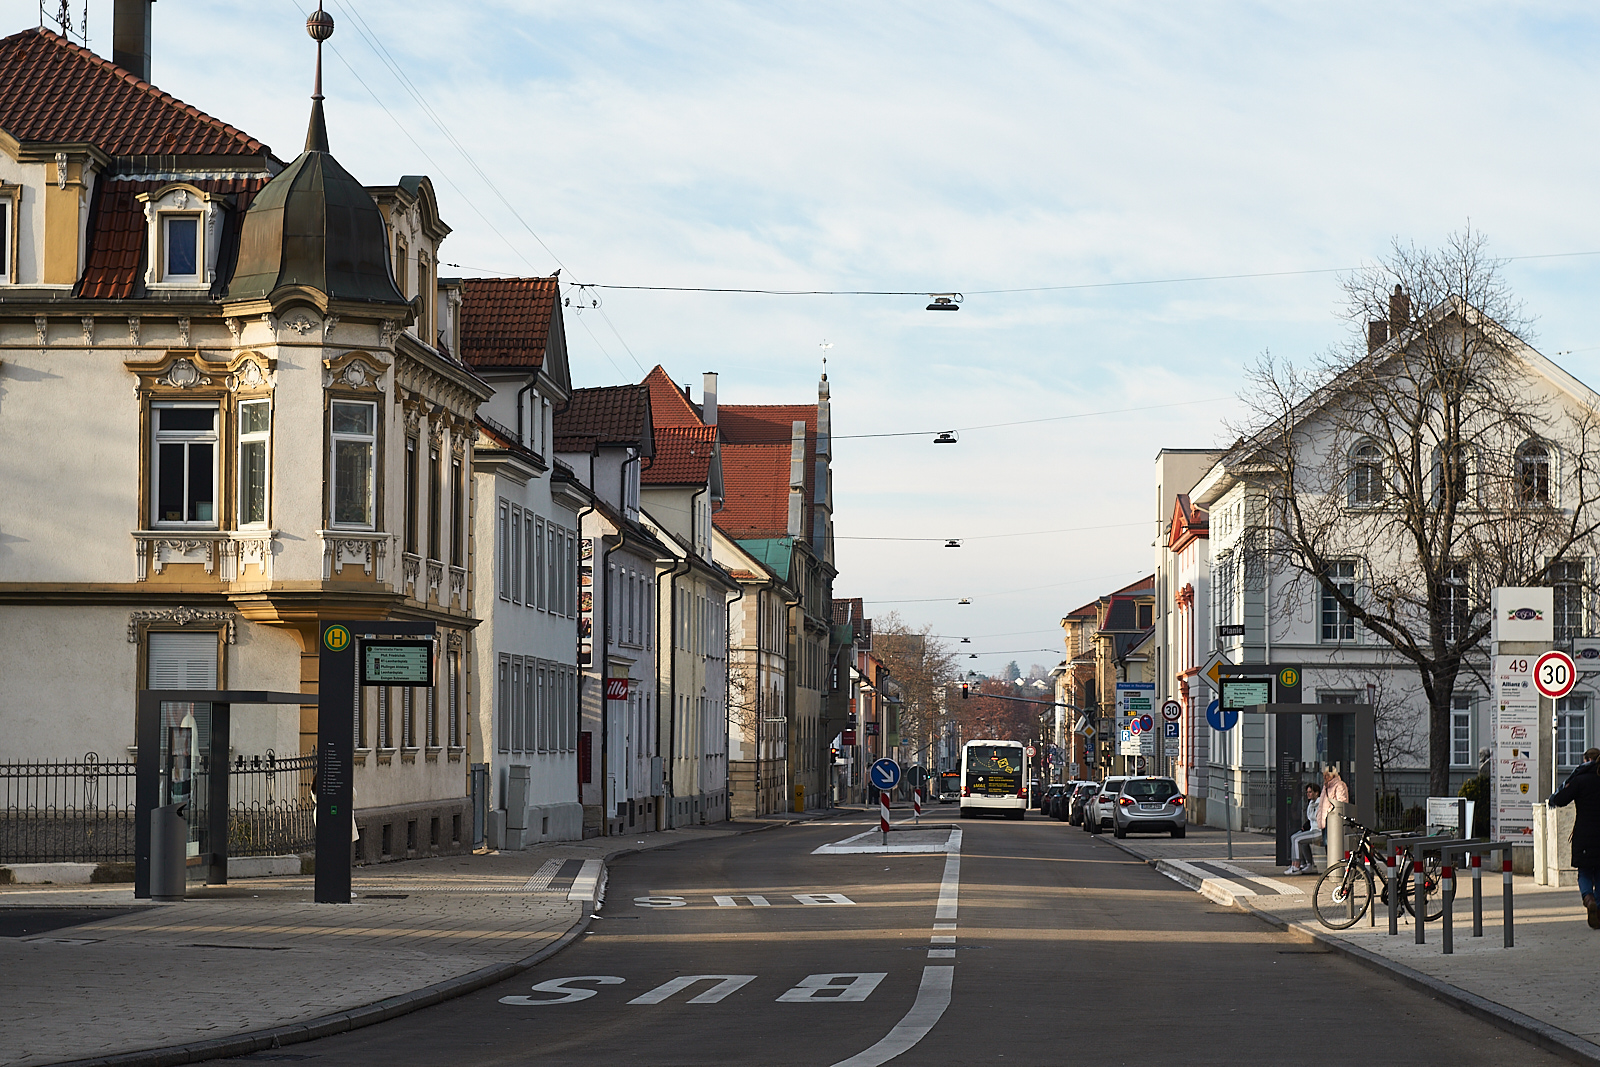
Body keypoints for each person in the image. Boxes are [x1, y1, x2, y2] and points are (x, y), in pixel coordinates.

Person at [1549, 746, 1600, 929]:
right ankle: (1599, 911)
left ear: (1586, 760)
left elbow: (1560, 799)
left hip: (1583, 834)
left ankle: (1588, 899)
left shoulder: (1579, 780)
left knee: (1585, 872)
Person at [1286, 782, 1323, 875]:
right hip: (1312, 830)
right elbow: (1310, 820)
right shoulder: (1311, 803)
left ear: (1317, 793)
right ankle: (1308, 864)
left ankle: (1296, 866)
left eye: (1310, 792)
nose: (1308, 794)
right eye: (1307, 792)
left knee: (1296, 839)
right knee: (1296, 837)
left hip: (1318, 831)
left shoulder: (1320, 804)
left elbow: (1316, 818)